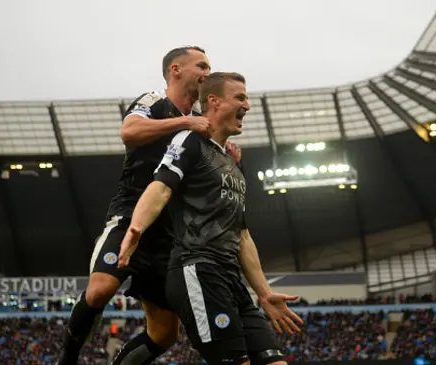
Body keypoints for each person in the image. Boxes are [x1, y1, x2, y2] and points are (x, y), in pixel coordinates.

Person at [55, 46, 243, 365]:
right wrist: (185, 123)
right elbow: (129, 131)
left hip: (170, 234)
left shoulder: (201, 124)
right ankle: (67, 359)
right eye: (202, 65)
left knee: (164, 334)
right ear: (176, 69)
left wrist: (226, 156)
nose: (208, 73)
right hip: (130, 216)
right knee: (100, 290)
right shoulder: (155, 101)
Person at [118, 72, 304, 365]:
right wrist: (136, 228)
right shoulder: (189, 141)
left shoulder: (234, 166)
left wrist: (265, 294)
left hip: (232, 279)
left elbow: (242, 235)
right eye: (240, 97)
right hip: (197, 270)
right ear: (214, 102)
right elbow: (161, 187)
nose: (248, 105)